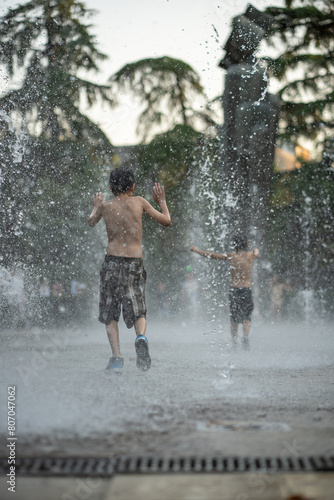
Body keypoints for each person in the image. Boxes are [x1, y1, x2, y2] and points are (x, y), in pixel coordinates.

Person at [88, 166, 171, 372]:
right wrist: (162, 202)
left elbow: (91, 222)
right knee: (138, 306)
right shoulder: (140, 202)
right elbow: (166, 221)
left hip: (111, 262)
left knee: (110, 312)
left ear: (110, 186)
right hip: (134, 262)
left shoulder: (105, 207)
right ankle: (140, 337)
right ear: (133, 186)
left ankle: (116, 357)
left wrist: (95, 206)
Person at [191, 235, 259, 350]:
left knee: (234, 318)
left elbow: (212, 256)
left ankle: (234, 342)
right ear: (246, 245)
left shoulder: (231, 256)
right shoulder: (250, 256)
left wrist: (197, 251)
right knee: (246, 317)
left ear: (233, 245)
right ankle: (245, 337)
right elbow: (257, 252)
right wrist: (255, 249)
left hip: (234, 290)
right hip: (246, 289)